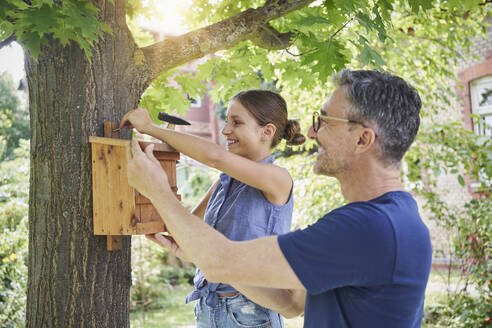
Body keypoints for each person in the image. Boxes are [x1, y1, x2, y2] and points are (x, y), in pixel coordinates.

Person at [125, 70, 433, 328]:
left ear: (363, 139)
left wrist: (157, 189)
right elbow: (289, 303)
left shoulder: (369, 228)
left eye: (324, 120)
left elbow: (221, 261)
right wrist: (205, 259)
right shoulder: (386, 220)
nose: (311, 132)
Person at [120, 89, 306, 328]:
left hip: (249, 313)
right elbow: (187, 226)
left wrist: (150, 128)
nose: (225, 130)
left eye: (236, 123)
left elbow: (214, 156)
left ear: (266, 132)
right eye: (226, 121)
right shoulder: (223, 182)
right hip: (208, 308)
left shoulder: (278, 179)